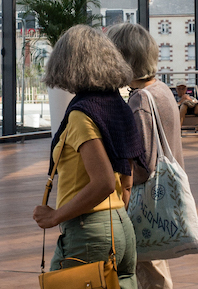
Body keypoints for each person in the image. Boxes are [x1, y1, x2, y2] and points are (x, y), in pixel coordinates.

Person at [32, 25, 142, 288]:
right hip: (121, 226)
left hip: (87, 230)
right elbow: (126, 181)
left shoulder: (82, 115)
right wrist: (113, 218)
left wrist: (55, 216)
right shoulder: (118, 106)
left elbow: (103, 181)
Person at [108, 23, 180, 289]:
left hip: (144, 204)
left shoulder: (141, 100)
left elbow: (142, 166)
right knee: (155, 266)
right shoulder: (161, 90)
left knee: (146, 269)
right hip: (162, 200)